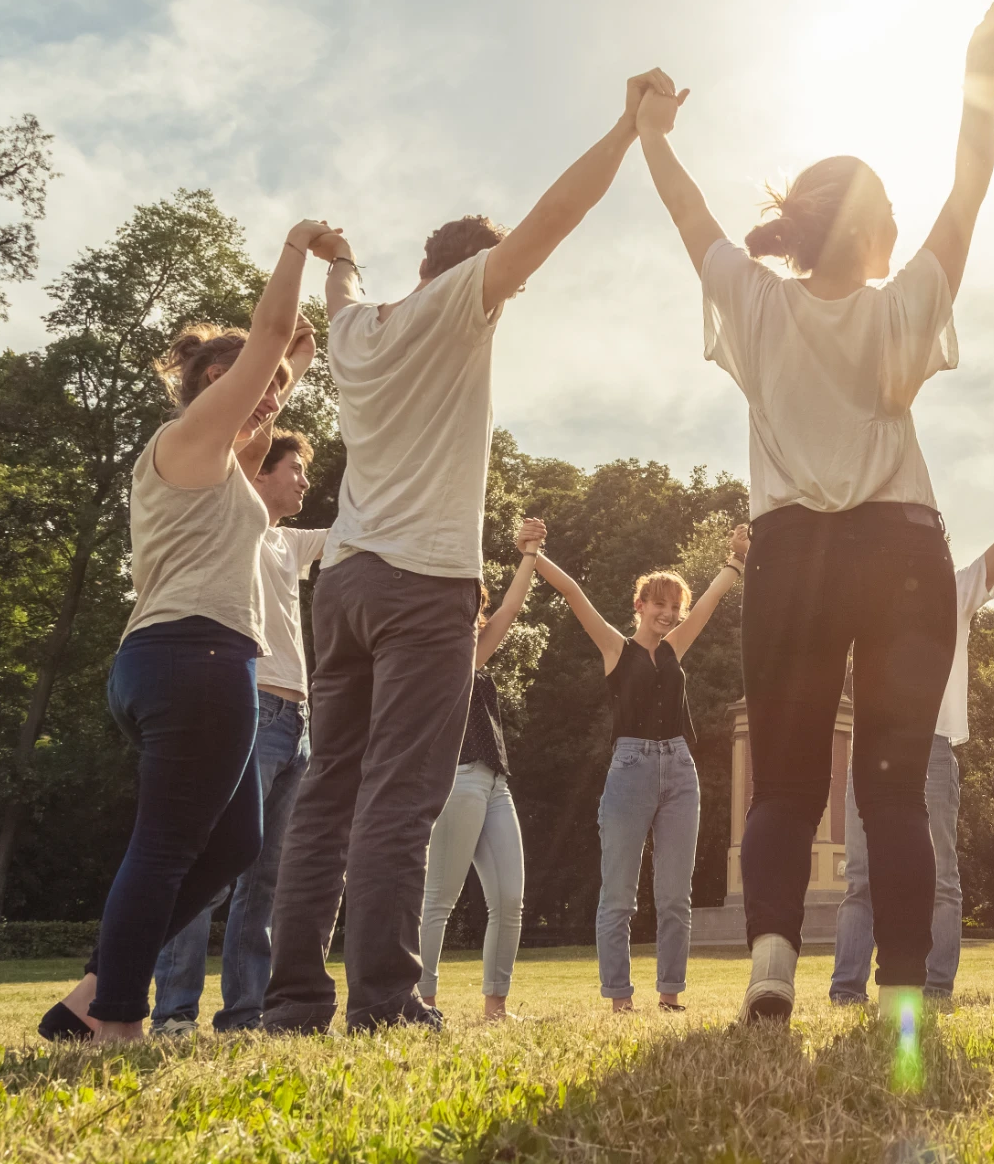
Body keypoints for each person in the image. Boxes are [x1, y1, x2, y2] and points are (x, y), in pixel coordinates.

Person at [635, 0, 994, 1022]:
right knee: (891, 787)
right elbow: (972, 183)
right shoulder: (905, 304)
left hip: (795, 554)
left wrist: (651, 133)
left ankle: (771, 959)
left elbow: (688, 216)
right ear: (872, 224)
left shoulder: (758, 304)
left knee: (784, 785)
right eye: (890, 212)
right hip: (901, 551)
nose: (901, 225)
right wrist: (981, 63)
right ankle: (901, 992)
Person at [264, 72, 669, 1034]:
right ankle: (386, 1002)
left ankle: (290, 1000)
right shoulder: (464, 304)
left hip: (348, 583)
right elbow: (555, 216)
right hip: (421, 584)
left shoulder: (359, 329)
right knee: (402, 793)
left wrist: (338, 254)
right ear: (479, 273)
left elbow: (345, 287)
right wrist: (623, 129)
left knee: (328, 791)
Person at [38, 220, 332, 1042]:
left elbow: (268, 394)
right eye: (245, 381)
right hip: (193, 657)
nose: (263, 397)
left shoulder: (217, 465)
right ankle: (119, 1019)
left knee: (234, 842)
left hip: (183, 660)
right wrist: (297, 249)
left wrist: (289, 369)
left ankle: (96, 991)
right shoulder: (186, 438)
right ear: (210, 380)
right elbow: (266, 340)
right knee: (166, 846)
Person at [830, 450, 994, 1005]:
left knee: (939, 878)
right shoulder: (864, 601)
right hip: (870, 750)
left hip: (931, 750)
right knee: (860, 878)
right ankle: (846, 989)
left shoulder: (956, 591)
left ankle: (934, 986)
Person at [148, 429, 324, 1035]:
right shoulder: (234, 527)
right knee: (211, 866)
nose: (305, 479)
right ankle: (173, 1012)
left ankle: (244, 1014)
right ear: (261, 474)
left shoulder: (290, 543)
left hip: (298, 722)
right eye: (295, 468)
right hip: (246, 709)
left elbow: (362, 527)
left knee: (264, 879)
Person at [532, 524, 750, 1012]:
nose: (669, 615)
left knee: (675, 896)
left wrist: (735, 559)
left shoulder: (676, 648)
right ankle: (619, 999)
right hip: (629, 771)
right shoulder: (616, 649)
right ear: (640, 606)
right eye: (660, 605)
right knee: (620, 896)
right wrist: (534, 553)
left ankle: (670, 996)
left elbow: (711, 601)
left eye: (675, 607)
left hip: (679, 769)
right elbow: (573, 593)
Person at [417, 518, 546, 1023]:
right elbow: (510, 611)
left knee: (510, 899)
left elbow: (509, 607)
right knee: (439, 900)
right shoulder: (443, 659)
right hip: (459, 780)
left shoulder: (474, 654)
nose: (476, 615)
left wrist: (530, 554)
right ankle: (422, 1001)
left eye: (477, 608)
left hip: (494, 783)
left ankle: (496, 1007)